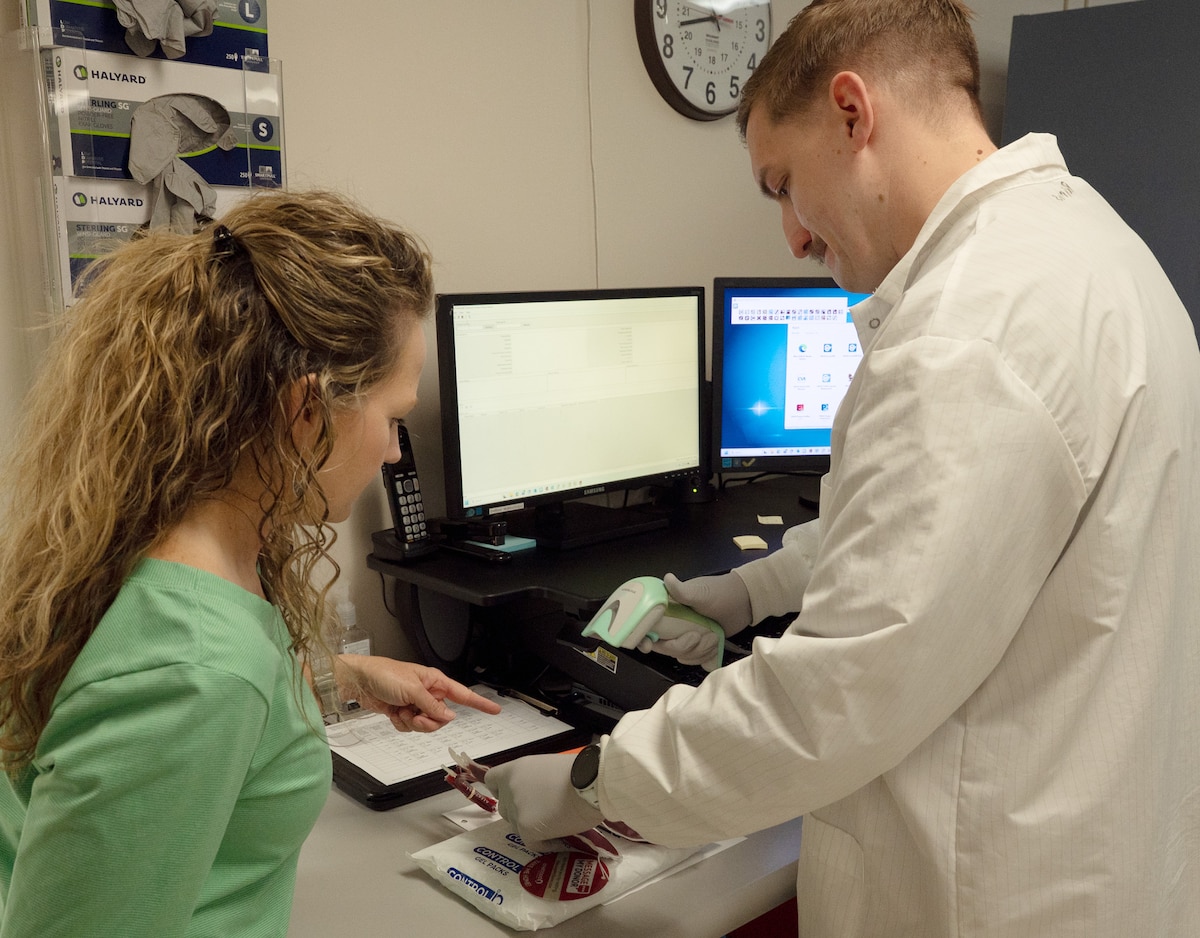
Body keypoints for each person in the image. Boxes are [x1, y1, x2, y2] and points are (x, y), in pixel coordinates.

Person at [487, 1, 1200, 935]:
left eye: (782, 183)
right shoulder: (1087, 244)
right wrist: (740, 594)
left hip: (987, 892)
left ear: (853, 114)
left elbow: (827, 703)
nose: (792, 234)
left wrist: (591, 781)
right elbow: (911, 537)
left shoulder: (965, 338)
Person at [0, 189, 501, 936]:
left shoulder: (152, 534)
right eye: (393, 419)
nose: (396, 450)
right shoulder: (194, 671)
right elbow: (192, 682)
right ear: (306, 410)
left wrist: (347, 677)